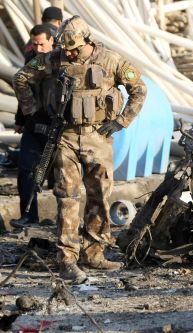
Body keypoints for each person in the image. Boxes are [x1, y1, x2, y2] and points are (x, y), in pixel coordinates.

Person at [13, 16, 147, 282]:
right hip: (65, 137)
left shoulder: (111, 60)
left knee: (99, 195)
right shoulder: (53, 58)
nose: (69, 53)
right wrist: (32, 111)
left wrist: (121, 121)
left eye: (74, 49)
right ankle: (67, 259)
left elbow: (139, 90)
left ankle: (94, 253)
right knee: (67, 196)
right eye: (66, 49)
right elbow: (22, 77)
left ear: (87, 41)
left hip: (98, 137)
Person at [10, 24, 56, 229]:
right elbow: (24, 91)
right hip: (34, 123)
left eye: (42, 44)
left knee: (61, 176)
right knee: (26, 168)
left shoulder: (65, 60)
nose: (38, 49)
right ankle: (29, 216)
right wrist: (21, 120)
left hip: (59, 127)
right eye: (34, 44)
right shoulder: (33, 59)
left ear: (52, 40)